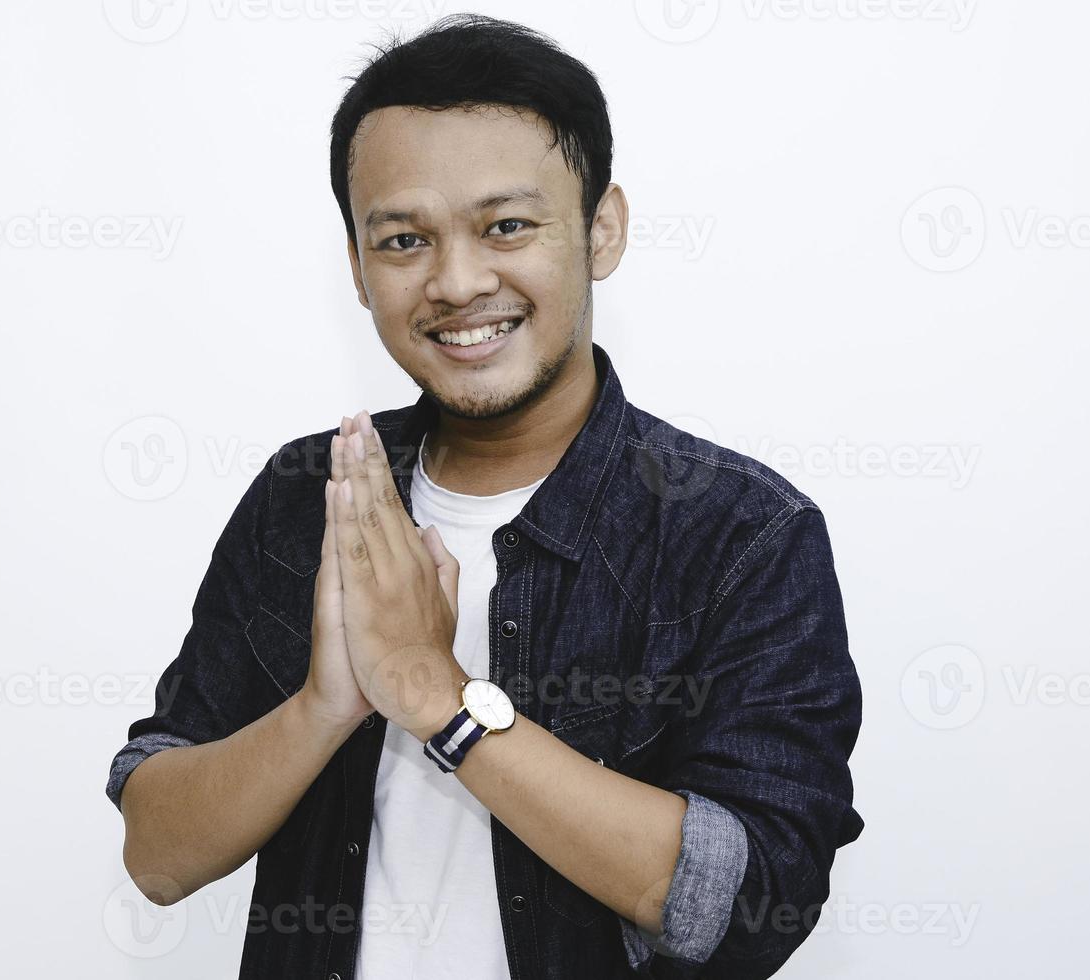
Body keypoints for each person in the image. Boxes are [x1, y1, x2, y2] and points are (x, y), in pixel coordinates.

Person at [104, 14, 862, 980]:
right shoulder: (310, 495)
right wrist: (324, 705)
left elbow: (750, 905)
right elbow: (156, 856)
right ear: (356, 266)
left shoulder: (741, 534)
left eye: (507, 225)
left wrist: (439, 698)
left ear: (602, 228)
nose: (458, 282)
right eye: (404, 239)